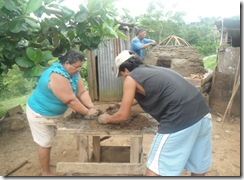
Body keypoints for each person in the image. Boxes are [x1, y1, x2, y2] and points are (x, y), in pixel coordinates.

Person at [98, 50, 212, 176]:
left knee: (156, 169)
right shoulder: (155, 70)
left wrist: (107, 119)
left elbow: (123, 116)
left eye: (122, 74)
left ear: (125, 70)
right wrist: (123, 103)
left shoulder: (130, 78)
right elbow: (152, 91)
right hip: (203, 114)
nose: (124, 77)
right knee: (198, 165)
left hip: (178, 118)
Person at [26, 49, 100, 176]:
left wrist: (92, 108)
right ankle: (46, 172)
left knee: (50, 138)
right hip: (39, 113)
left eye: (80, 67)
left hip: (53, 114)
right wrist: (87, 113)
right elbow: (71, 101)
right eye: (77, 67)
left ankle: (46, 164)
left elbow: (82, 92)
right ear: (67, 63)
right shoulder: (57, 76)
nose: (79, 70)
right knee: (45, 142)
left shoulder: (73, 72)